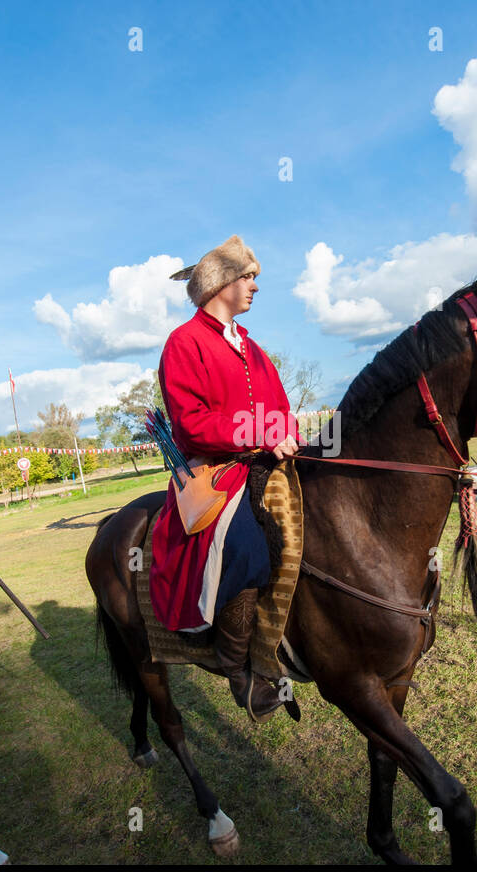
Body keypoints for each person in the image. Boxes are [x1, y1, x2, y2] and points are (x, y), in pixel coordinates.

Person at [150, 236, 299, 721]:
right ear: (221, 283)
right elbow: (190, 423)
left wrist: (285, 432)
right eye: (248, 277)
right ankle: (237, 669)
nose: (255, 286)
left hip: (264, 461)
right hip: (215, 472)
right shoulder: (183, 342)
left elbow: (280, 407)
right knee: (247, 547)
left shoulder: (251, 347)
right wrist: (258, 431)